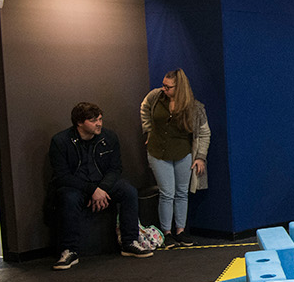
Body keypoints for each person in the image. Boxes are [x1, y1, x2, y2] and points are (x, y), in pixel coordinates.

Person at [47, 101, 154, 270]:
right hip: (77, 186)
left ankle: (129, 242)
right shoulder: (61, 141)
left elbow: (115, 168)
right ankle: (69, 251)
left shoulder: (109, 137)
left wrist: (102, 189)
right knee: (68, 197)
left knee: (129, 191)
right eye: (93, 120)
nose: (99, 124)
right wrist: (92, 190)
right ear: (79, 123)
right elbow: (62, 176)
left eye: (100, 119)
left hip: (102, 184)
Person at [140, 68, 211, 247]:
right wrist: (148, 130)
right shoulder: (156, 97)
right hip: (158, 152)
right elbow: (144, 108)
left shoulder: (194, 107)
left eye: (168, 87)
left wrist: (200, 157)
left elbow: (204, 132)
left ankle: (180, 230)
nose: (164, 89)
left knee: (181, 193)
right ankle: (167, 232)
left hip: (182, 152)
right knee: (167, 193)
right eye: (163, 85)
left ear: (179, 88)